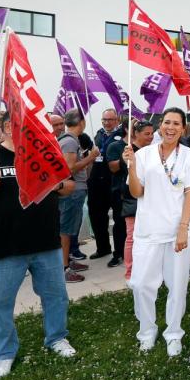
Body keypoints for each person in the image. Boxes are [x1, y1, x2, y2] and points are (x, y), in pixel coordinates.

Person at [0, 113, 76, 379]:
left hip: (45, 243)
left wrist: (58, 184)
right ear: (8, 127)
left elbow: (69, 186)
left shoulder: (43, 154)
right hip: (2, 247)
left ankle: (57, 338)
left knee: (56, 297)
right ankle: (3, 354)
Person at [124, 107, 190, 357]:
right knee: (140, 284)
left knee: (177, 286)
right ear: (160, 126)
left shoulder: (189, 156)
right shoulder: (144, 154)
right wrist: (131, 167)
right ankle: (147, 331)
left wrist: (183, 228)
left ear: (183, 129)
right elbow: (137, 192)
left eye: (176, 124)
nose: (170, 127)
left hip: (180, 232)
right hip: (148, 231)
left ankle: (174, 334)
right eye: (167, 122)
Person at [108, 120, 154, 282]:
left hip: (150, 197)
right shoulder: (128, 150)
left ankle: (147, 269)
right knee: (132, 236)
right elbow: (117, 170)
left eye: (152, 133)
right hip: (130, 198)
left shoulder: (152, 150)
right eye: (146, 134)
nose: (150, 137)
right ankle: (130, 271)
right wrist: (124, 159)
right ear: (135, 133)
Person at [57, 110, 98, 283]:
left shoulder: (71, 141)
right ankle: (63, 268)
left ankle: (67, 261)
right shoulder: (69, 142)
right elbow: (70, 168)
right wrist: (91, 157)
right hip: (71, 192)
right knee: (65, 231)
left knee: (69, 230)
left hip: (76, 190)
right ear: (81, 122)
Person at [87, 108, 124, 265]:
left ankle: (119, 252)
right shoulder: (98, 135)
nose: (107, 123)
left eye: (110, 120)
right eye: (104, 120)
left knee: (118, 219)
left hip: (114, 181)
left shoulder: (122, 135)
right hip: (97, 182)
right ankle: (103, 247)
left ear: (117, 120)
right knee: (96, 216)